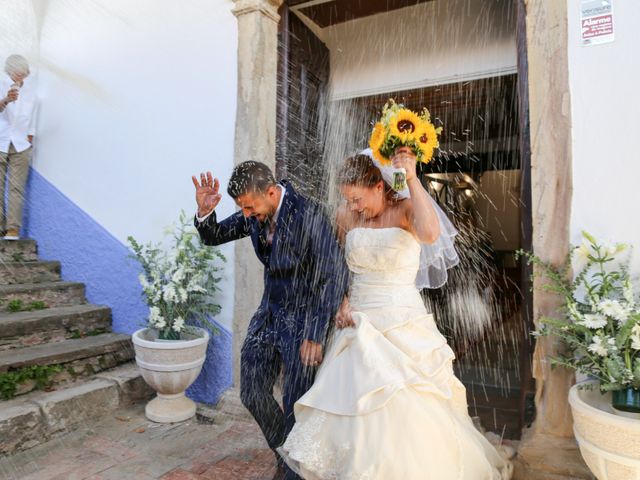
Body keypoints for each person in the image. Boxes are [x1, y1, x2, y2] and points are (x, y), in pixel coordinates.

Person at [278, 148, 513, 479]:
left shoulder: (406, 210)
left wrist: (413, 179)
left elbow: (431, 234)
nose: (353, 206)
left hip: (402, 321)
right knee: (354, 407)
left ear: (379, 186)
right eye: (348, 200)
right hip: (357, 325)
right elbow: (332, 269)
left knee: (407, 408)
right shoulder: (346, 217)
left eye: (358, 198)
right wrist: (341, 299)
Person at [192, 161, 349, 480]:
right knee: (251, 391)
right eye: (242, 208)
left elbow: (333, 275)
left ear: (272, 192)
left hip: (305, 322)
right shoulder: (254, 210)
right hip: (268, 316)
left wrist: (316, 333)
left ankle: (295, 473)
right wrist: (205, 214)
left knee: (296, 405)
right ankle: (286, 453)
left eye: (249, 207)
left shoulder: (309, 213)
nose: (246, 214)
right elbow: (215, 235)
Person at [0, 54, 38, 240]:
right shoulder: (1, 84)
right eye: (16, 71)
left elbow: (32, 117)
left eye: (22, 71)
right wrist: (6, 100)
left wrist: (30, 137)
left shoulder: (31, 91)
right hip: (1, 141)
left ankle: (12, 229)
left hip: (21, 144)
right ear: (9, 69)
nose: (19, 75)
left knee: (16, 188)